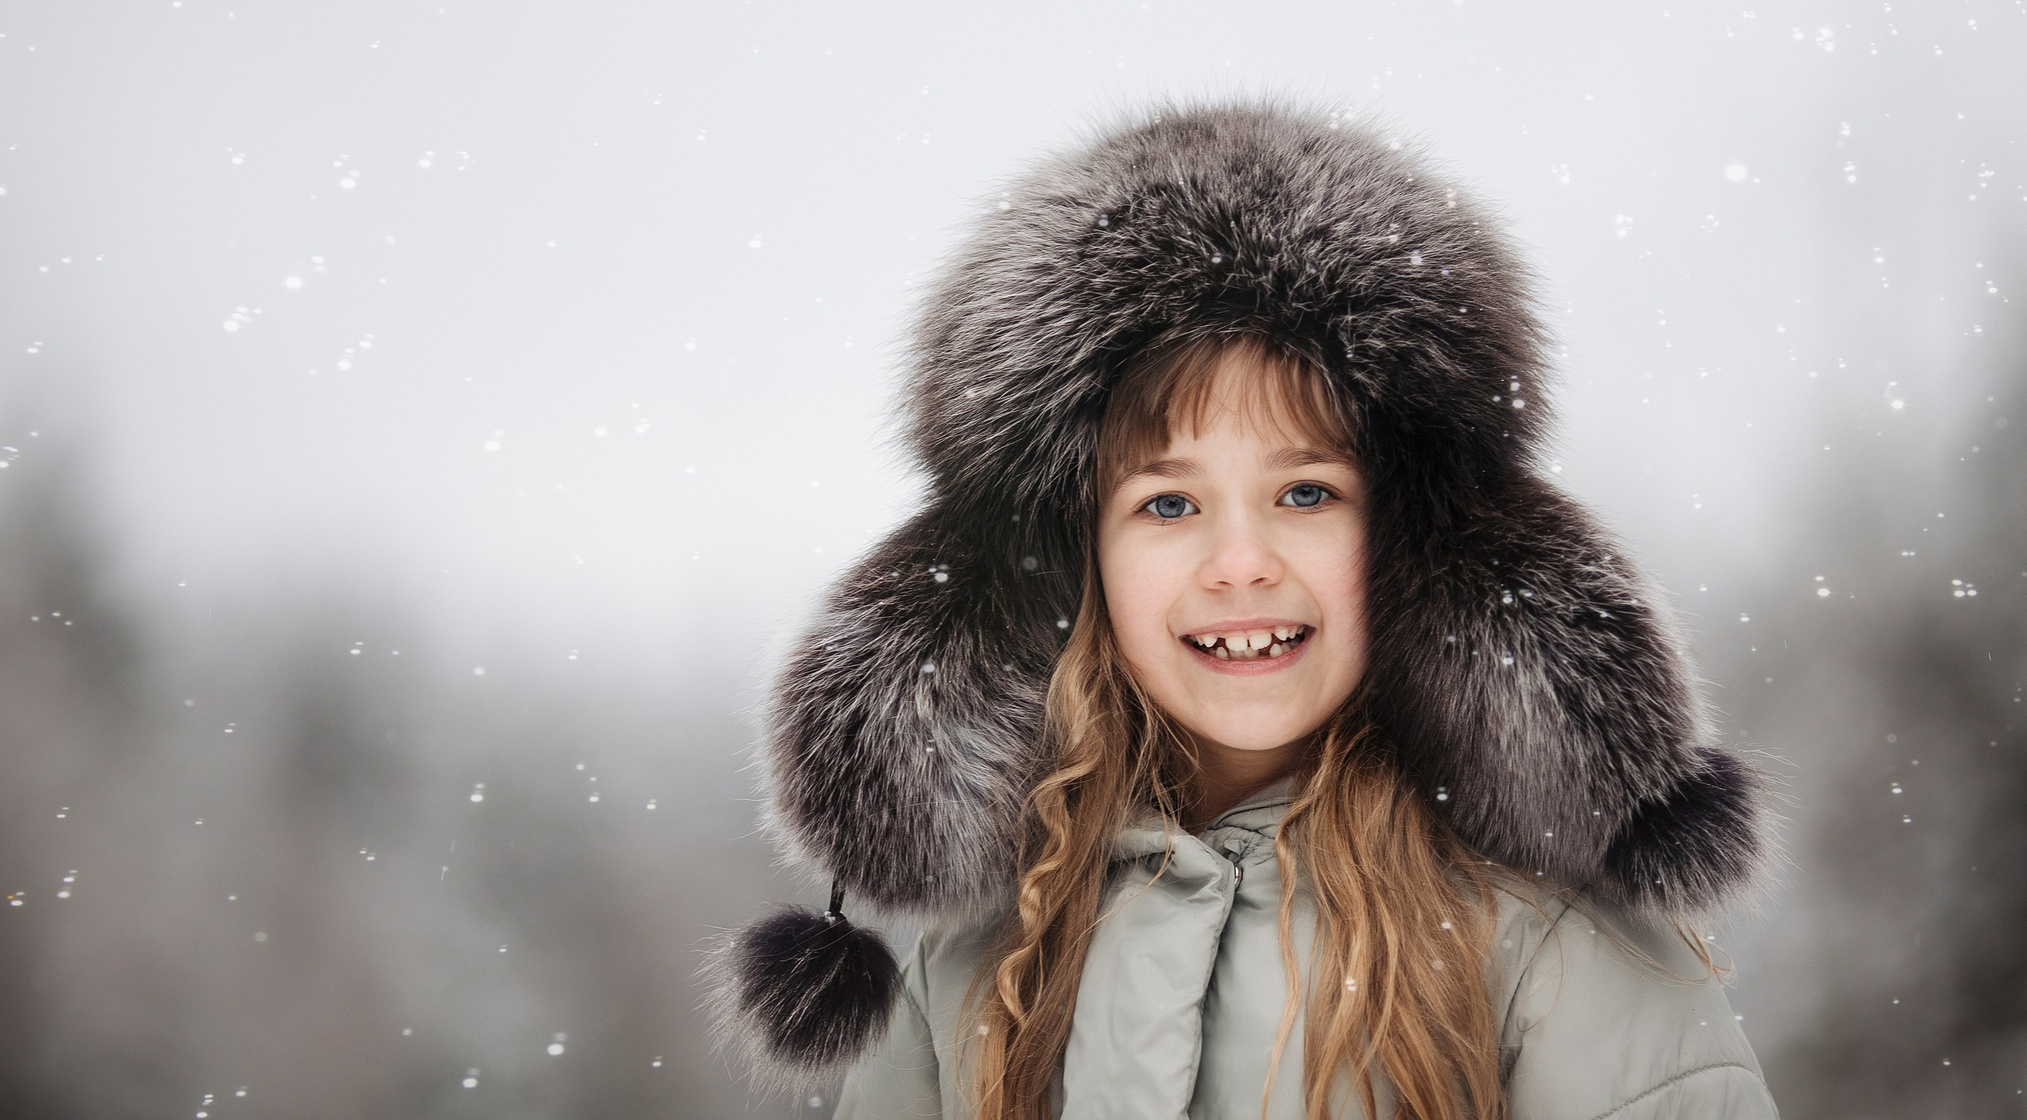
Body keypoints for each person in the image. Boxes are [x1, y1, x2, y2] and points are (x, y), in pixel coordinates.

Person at [709, 102, 1779, 1119]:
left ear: (1416, 542)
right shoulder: (970, 972)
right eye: (1167, 503)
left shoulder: (1559, 953)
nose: (1238, 562)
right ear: (1071, 558)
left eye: (1304, 493)